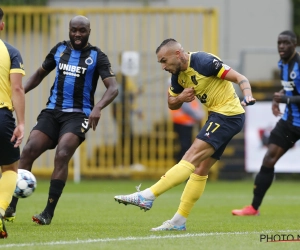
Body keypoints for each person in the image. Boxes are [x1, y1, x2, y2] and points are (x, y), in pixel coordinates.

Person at [114, 38, 256, 231]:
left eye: (164, 61)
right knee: (200, 170)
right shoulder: (178, 75)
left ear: (177, 54)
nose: (163, 66)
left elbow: (241, 78)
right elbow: (171, 103)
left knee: (190, 157)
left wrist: (247, 95)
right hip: (218, 116)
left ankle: (147, 196)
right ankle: (179, 221)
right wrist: (180, 97)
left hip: (228, 116)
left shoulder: (204, 62)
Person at [4, 15, 118, 225]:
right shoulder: (59, 49)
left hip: (78, 115)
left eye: (82, 30)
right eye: (74, 30)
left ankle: (48, 212)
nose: (77, 34)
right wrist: (17, 95)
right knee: (28, 150)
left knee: (63, 153)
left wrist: (98, 108)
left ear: (89, 32)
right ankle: (10, 206)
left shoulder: (97, 56)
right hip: (52, 112)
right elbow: (39, 75)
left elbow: (113, 88)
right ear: (69, 30)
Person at [232, 30, 300, 216]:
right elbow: (289, 89)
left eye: (286, 43)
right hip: (291, 122)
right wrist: (277, 99)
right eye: (279, 43)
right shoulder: (282, 63)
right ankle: (254, 208)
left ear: (295, 44)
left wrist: (284, 99)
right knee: (269, 158)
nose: (281, 46)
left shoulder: (298, 64)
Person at [0, 8, 26, 238]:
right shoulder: (10, 52)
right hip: (2, 116)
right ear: (2, 25)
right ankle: (0, 210)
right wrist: (21, 123)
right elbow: (17, 88)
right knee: (9, 169)